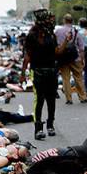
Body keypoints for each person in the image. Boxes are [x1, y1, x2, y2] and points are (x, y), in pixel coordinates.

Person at [21, 9, 59, 140]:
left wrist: (66, 42)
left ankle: (50, 125)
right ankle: (38, 129)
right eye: (47, 20)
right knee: (40, 100)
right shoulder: (32, 35)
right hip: (37, 71)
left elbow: (56, 52)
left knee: (51, 99)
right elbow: (28, 55)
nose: (49, 22)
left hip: (51, 70)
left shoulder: (50, 34)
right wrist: (23, 73)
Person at [55, 14, 87, 105]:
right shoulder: (76, 32)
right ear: (72, 21)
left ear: (64, 20)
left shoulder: (58, 31)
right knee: (78, 77)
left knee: (66, 78)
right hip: (75, 58)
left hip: (63, 58)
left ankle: (69, 99)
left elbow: (56, 45)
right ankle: (82, 97)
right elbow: (81, 48)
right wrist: (82, 59)